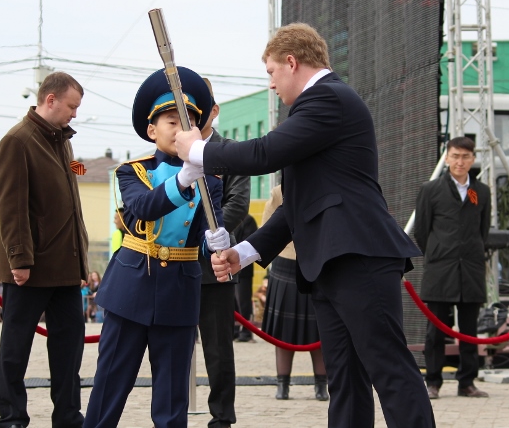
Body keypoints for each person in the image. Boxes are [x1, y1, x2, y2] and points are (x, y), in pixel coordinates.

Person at [176, 23, 435, 428]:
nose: (272, 84)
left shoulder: (328, 99)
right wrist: (243, 253)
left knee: (389, 371)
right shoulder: (315, 110)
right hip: (333, 263)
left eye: (271, 73)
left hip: (359, 257)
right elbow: (296, 206)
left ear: (291, 62)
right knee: (345, 382)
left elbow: (264, 153)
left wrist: (199, 149)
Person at [85, 66, 226, 428]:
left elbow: (205, 234)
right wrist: (182, 180)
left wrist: (219, 243)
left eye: (188, 123)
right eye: (171, 121)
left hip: (179, 292)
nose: (181, 130)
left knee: (171, 398)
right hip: (130, 290)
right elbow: (143, 209)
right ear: (152, 130)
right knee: (110, 388)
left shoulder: (210, 181)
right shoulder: (131, 172)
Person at [0, 71, 90, 428]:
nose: (75, 114)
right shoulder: (16, 142)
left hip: (66, 267)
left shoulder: (62, 141)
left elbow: (70, 176)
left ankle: (68, 417)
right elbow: (10, 207)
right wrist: (20, 259)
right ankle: (13, 418)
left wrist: (98, 170)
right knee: (15, 351)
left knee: (69, 352)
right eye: (71, 106)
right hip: (29, 269)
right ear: (50, 100)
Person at [414, 136, 491, 399]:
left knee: (469, 329)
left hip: (470, 268)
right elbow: (422, 231)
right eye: (455, 156)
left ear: (472, 159)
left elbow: (483, 230)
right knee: (435, 330)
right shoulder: (430, 190)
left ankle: (467, 382)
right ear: (446, 157)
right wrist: (437, 254)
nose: (460, 161)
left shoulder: (480, 191)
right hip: (440, 269)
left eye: (465, 156)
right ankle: (433, 381)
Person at [196, 77, 251, 428]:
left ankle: (222, 417)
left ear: (214, 110)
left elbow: (238, 204)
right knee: (169, 346)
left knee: (218, 348)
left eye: (201, 105)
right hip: (172, 264)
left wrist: (209, 238)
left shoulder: (231, 153)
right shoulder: (170, 151)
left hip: (214, 265)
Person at [260, 185, 327, 401]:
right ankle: (282, 384)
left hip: (317, 260)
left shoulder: (324, 184)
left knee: (319, 329)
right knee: (283, 332)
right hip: (286, 260)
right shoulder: (279, 191)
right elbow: (267, 226)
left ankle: (321, 385)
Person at [233, 214, 258, 342]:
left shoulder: (248, 220)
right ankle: (235, 330)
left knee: (243, 302)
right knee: (233, 302)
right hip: (231, 269)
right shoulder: (228, 219)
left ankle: (247, 332)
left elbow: (249, 242)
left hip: (244, 270)